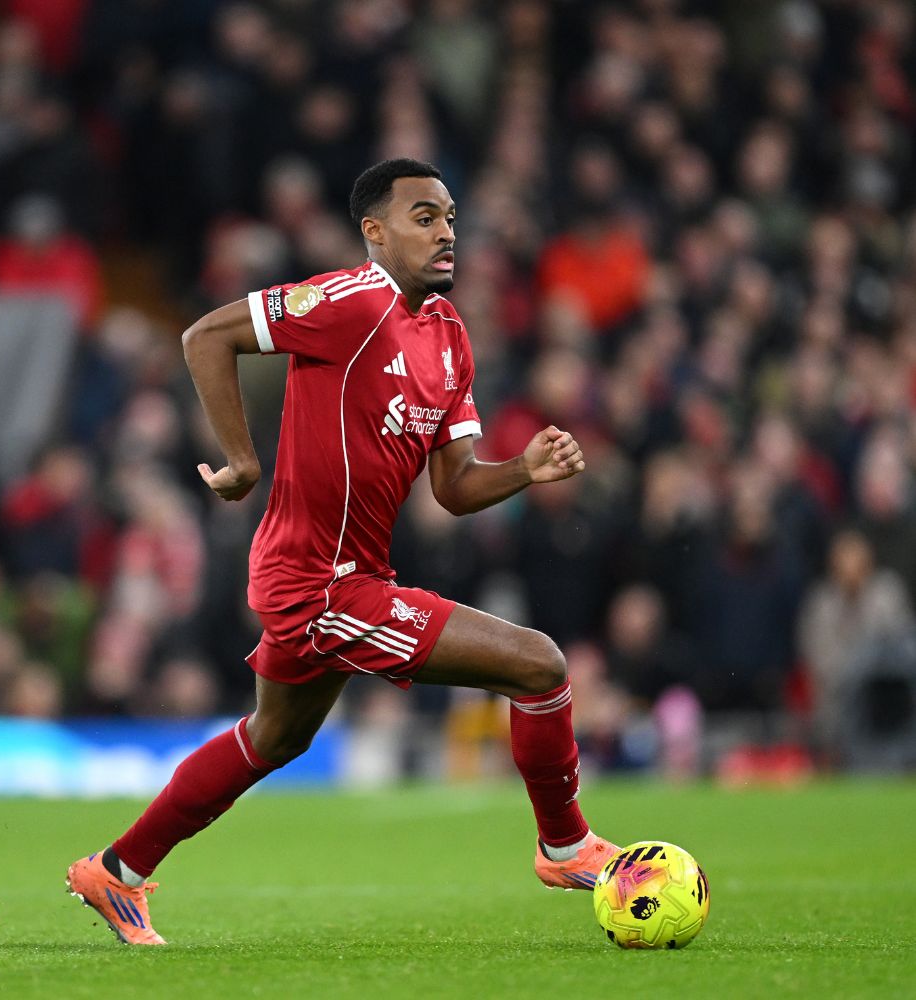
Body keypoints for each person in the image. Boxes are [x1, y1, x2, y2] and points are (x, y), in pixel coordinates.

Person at [66, 159, 620, 945]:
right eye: (424, 216)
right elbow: (206, 335)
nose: (446, 232)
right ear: (374, 231)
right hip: (316, 584)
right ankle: (565, 847)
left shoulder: (451, 339)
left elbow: (454, 487)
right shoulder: (346, 300)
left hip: (354, 576)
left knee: (275, 738)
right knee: (539, 665)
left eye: (451, 217)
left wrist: (524, 470)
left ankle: (113, 873)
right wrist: (243, 458)